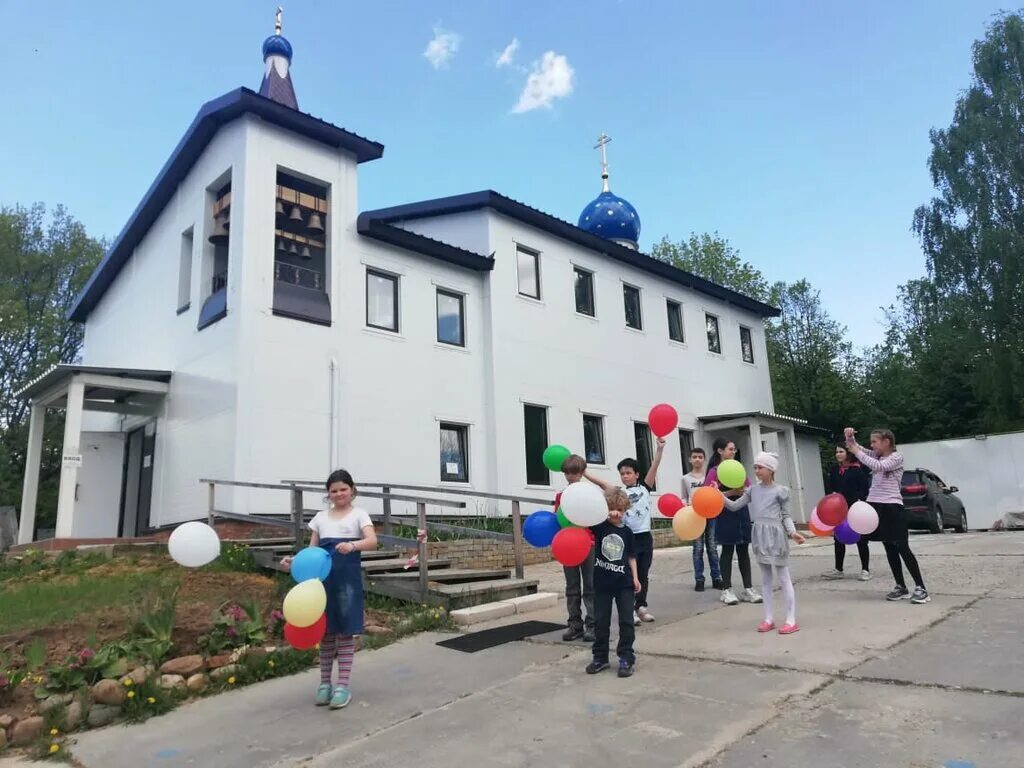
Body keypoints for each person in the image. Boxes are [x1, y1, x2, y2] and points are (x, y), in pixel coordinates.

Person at [282, 469, 377, 709]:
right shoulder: (320, 518)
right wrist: (295, 561)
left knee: (344, 632)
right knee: (325, 632)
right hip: (321, 584)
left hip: (346, 581)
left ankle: (342, 686)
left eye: (343, 489)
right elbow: (311, 551)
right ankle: (324, 684)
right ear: (328, 494)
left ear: (352, 490)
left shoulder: (359, 515)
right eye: (334, 491)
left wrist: (353, 546)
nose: (339, 494)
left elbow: (372, 541)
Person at [723, 452, 806, 634]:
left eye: (760, 467)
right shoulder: (753, 490)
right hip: (760, 535)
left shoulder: (781, 491)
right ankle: (768, 618)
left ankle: (791, 620)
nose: (756, 470)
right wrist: (717, 495)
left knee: (783, 577)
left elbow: (785, 515)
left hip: (776, 536)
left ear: (771, 469)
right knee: (765, 578)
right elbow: (734, 506)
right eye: (755, 467)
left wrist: (792, 532)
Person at [845, 427, 930, 604]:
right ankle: (901, 586)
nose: (872, 445)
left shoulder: (896, 457)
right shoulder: (876, 455)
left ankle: (921, 587)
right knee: (889, 547)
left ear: (886, 442)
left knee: (902, 547)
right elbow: (858, 449)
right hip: (876, 506)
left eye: (874, 441)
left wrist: (856, 451)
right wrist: (850, 437)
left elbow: (878, 466)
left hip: (892, 506)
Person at [587, 439, 665, 625]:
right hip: (628, 537)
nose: (625, 476)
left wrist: (659, 449)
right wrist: (585, 473)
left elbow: (654, 466)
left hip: (644, 536)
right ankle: (629, 609)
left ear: (637, 474)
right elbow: (602, 484)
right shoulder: (620, 492)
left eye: (628, 473)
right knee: (628, 573)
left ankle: (641, 606)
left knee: (643, 572)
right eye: (622, 473)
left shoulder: (645, 487)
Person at [586, 487, 640, 678]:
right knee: (601, 621)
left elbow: (631, 556)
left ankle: (626, 657)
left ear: (625, 510)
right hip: (602, 583)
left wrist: (635, 577)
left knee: (626, 621)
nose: (616, 513)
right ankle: (600, 657)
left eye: (620, 509)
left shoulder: (627, 532)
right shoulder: (600, 527)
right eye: (612, 508)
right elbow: (585, 520)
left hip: (624, 583)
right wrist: (605, 514)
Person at [705, 438, 761, 606]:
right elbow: (707, 495)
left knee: (743, 550)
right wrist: (731, 493)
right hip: (725, 513)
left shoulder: (738, 468)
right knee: (727, 550)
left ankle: (748, 589)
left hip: (742, 511)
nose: (733, 452)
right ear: (720, 451)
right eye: (730, 449)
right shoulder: (714, 471)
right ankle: (726, 589)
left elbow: (749, 488)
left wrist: (744, 491)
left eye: (734, 449)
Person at [558, 454, 595, 642]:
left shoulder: (589, 493)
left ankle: (593, 625)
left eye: (573, 473)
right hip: (568, 546)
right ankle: (575, 625)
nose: (570, 476)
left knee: (590, 585)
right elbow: (558, 519)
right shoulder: (561, 495)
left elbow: (596, 517)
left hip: (588, 544)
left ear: (581, 473)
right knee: (572, 587)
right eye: (567, 473)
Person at [822, 444, 872, 581]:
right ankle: (838, 569)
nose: (838, 454)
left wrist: (858, 500)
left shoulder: (857, 470)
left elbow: (864, 489)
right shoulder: (834, 470)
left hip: (855, 508)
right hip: (839, 508)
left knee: (861, 539)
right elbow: (830, 487)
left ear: (848, 453)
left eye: (841, 451)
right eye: (836, 452)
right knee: (838, 538)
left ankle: (865, 569)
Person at [681, 446, 723, 592]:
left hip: (711, 514)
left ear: (704, 459)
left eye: (700, 457)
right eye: (694, 457)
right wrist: (685, 506)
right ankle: (699, 579)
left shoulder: (709, 476)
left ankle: (717, 578)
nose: (697, 459)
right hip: (694, 516)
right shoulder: (685, 478)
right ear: (690, 460)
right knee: (698, 549)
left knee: (712, 547)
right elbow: (684, 497)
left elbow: (716, 492)